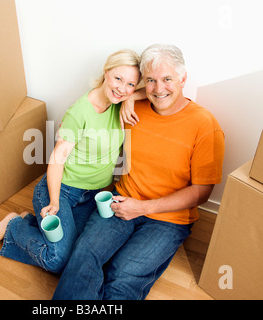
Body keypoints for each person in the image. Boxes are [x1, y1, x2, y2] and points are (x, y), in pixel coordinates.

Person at [52, 44, 225, 299]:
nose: (159, 88)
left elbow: (202, 193)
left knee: (123, 274)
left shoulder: (205, 125)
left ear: (183, 79)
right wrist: (132, 98)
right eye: (151, 81)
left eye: (167, 79)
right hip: (121, 201)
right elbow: (100, 103)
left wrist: (143, 208)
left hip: (168, 219)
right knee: (83, 256)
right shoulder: (131, 108)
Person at [0, 49, 141, 273]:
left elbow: (155, 91)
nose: (123, 89)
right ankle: (13, 227)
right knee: (59, 260)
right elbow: (57, 159)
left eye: (131, 84)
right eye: (118, 79)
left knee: (80, 252)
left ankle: (31, 222)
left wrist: (132, 98)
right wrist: (54, 201)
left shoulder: (120, 102)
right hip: (62, 189)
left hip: (91, 195)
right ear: (106, 72)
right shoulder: (79, 113)